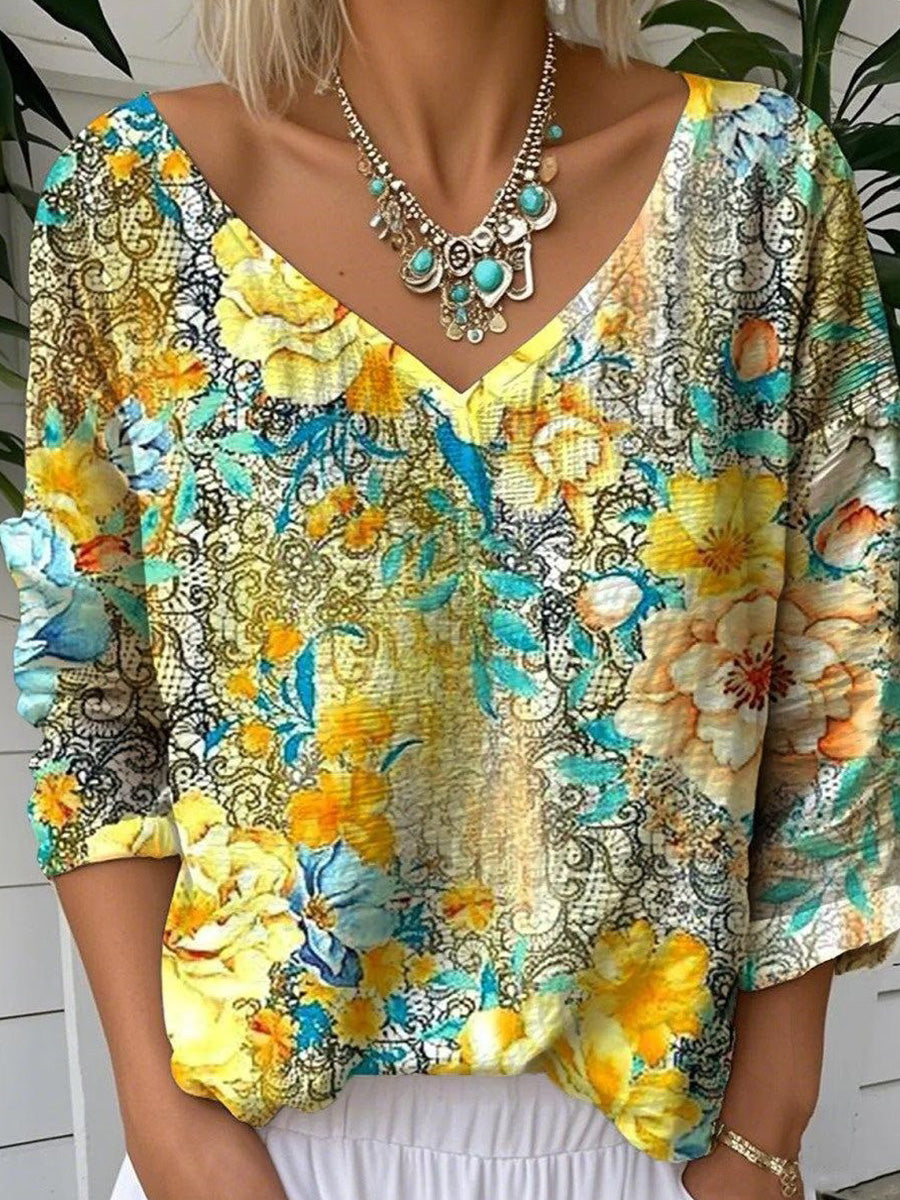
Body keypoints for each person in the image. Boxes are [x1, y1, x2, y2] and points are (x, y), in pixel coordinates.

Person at [2, 2, 899, 1198]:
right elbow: (93, 704)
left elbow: (835, 692)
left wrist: (764, 1140)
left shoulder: (762, 185)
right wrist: (168, 1132)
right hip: (256, 1151)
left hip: (652, 1157)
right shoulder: (134, 203)